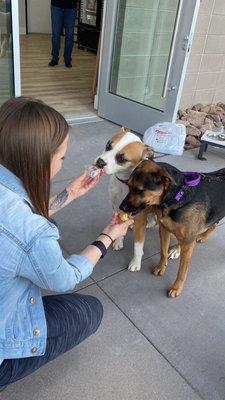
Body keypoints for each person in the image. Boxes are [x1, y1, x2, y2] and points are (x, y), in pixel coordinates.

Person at [0, 97, 133, 390]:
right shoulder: (34, 233)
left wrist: (70, 194)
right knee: (89, 311)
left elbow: (13, 221)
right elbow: (64, 278)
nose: (63, 164)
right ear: (39, 161)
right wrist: (108, 235)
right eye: (61, 158)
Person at [49, 0, 77, 68]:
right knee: (56, 34)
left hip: (71, 7)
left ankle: (67, 59)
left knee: (70, 35)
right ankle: (55, 58)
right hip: (56, 6)